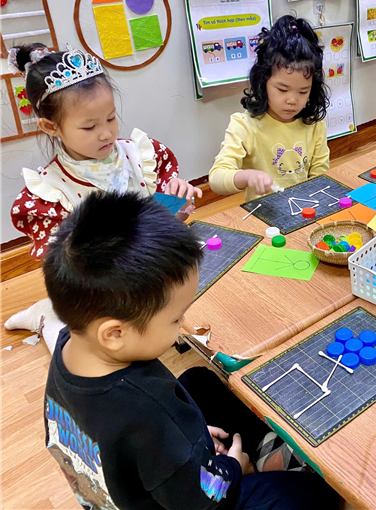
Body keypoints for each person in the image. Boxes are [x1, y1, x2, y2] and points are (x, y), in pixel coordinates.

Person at [43, 191, 339, 510]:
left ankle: (240, 453)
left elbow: (133, 441)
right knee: (313, 495)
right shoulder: (150, 414)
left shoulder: (72, 342)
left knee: (198, 380)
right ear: (115, 334)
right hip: (196, 499)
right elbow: (203, 499)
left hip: (142, 473)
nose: (183, 324)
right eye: (175, 319)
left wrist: (186, 444)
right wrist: (231, 467)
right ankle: (262, 461)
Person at [4, 43, 201, 352]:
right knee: (79, 349)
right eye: (89, 126)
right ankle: (45, 316)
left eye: (111, 118)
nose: (106, 133)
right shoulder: (51, 191)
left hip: (149, 272)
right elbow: (68, 272)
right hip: (101, 290)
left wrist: (176, 199)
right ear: (50, 126)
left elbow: (162, 217)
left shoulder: (140, 155)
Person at [209, 15, 330, 201]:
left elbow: (320, 175)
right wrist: (247, 176)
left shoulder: (313, 124)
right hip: (263, 213)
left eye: (303, 91)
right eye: (282, 90)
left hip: (305, 207)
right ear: (263, 82)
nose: (292, 100)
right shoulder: (244, 125)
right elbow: (217, 177)